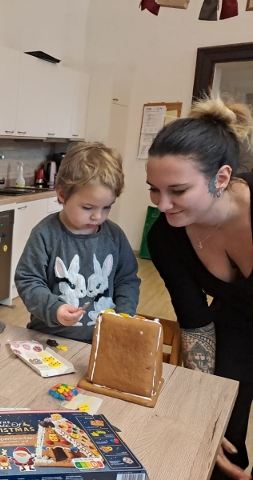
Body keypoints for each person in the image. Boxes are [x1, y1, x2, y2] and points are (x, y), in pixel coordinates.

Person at [146, 97, 253, 480]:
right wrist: (204, 407)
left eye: (177, 190)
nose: (163, 205)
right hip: (236, 323)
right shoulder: (165, 238)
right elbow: (195, 323)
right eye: (154, 190)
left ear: (221, 178)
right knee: (220, 437)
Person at [15, 142, 140, 342]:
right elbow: (28, 280)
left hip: (99, 340)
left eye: (107, 207)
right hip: (48, 337)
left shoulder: (114, 236)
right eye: (88, 207)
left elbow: (126, 280)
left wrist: (124, 315)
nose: (98, 216)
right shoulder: (45, 233)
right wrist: (54, 309)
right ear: (62, 194)